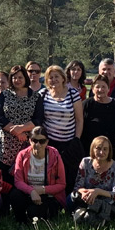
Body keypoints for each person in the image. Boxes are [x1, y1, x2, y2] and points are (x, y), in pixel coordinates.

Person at [0, 65, 44, 184]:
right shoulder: (5, 94)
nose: (17, 80)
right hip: (6, 143)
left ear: (26, 78)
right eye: (14, 77)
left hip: (26, 141)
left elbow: (39, 119)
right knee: (5, 176)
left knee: (24, 173)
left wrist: (22, 129)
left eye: (20, 77)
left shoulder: (36, 96)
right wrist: (16, 132)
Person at [41, 65, 84, 196]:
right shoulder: (42, 94)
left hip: (69, 142)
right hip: (49, 143)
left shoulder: (72, 94)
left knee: (69, 174)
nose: (53, 80)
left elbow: (79, 120)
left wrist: (76, 139)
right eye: (50, 77)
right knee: (50, 174)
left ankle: (69, 203)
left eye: (56, 77)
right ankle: (53, 203)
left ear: (63, 78)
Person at [11, 127, 66, 224]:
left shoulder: (55, 155)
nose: (37, 144)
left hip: (47, 195)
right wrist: (31, 191)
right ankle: (21, 221)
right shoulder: (22, 155)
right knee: (15, 195)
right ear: (29, 140)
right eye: (34, 140)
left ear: (47, 142)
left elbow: (61, 184)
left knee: (34, 213)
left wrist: (42, 190)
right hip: (28, 192)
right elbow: (18, 181)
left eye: (42, 141)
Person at [70, 136, 115, 229]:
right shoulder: (85, 162)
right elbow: (77, 187)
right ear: (92, 149)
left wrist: (97, 191)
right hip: (87, 198)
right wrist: (83, 192)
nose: (101, 152)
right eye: (98, 148)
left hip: (107, 202)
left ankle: (90, 216)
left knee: (106, 208)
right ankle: (91, 215)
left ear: (109, 151)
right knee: (71, 198)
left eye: (105, 149)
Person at [81, 78, 115, 159]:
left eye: (104, 87)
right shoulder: (86, 105)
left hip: (111, 150)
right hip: (89, 150)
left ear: (108, 89)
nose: (100, 89)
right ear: (92, 88)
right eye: (97, 87)